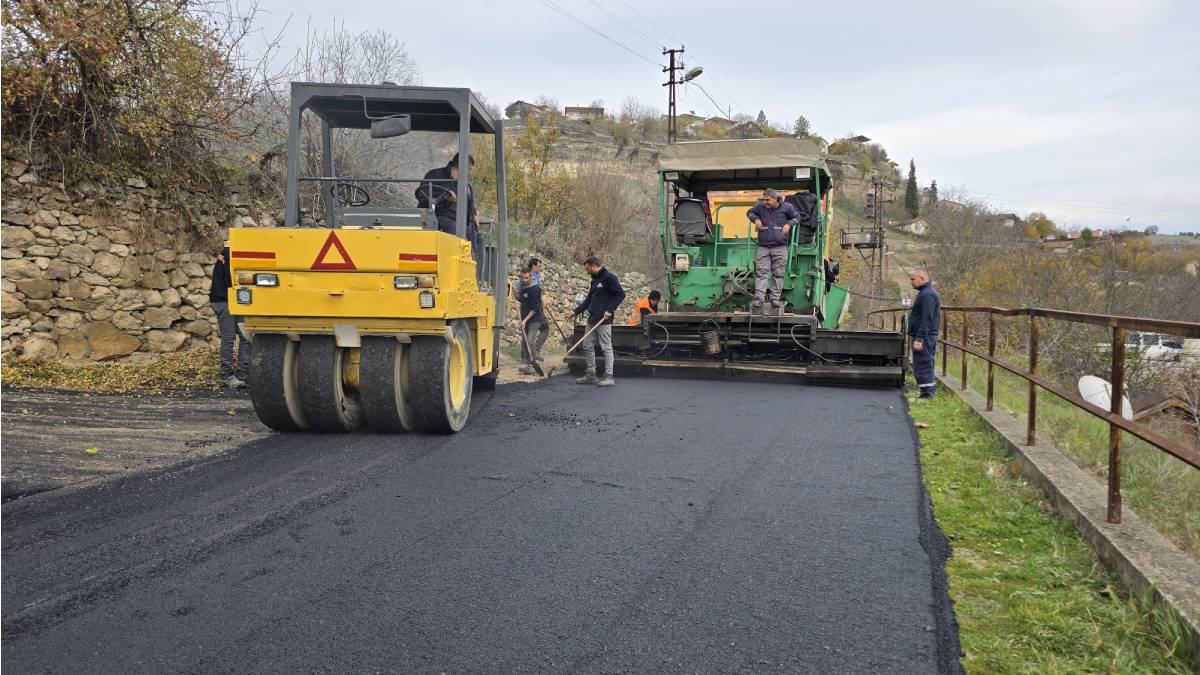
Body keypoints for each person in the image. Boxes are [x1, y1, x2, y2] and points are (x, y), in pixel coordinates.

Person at [566, 256, 625, 387]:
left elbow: (620, 294)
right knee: (587, 345)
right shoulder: (595, 280)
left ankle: (609, 376)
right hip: (592, 318)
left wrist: (610, 309)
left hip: (604, 320)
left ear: (593, 266)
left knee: (606, 347)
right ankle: (591, 374)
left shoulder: (609, 278)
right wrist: (575, 311)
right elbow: (588, 300)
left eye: (588, 269)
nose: (587, 272)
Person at [746, 188, 801, 312]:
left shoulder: (787, 207)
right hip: (763, 247)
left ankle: (774, 298)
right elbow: (749, 212)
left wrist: (789, 224)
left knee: (778, 273)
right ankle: (759, 299)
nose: (765, 202)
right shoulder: (760, 207)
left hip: (780, 247)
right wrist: (756, 219)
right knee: (761, 272)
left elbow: (797, 217)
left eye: (767, 200)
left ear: (775, 199)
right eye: (764, 200)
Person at [415, 152, 478, 244]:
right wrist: (444, 196)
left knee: (473, 234)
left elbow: (469, 203)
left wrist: (474, 215)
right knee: (454, 228)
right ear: (462, 167)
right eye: (469, 169)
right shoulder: (435, 175)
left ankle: (471, 257)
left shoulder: (463, 185)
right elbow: (422, 193)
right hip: (435, 216)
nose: (469, 173)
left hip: (456, 221)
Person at [210, 246, 249, 388]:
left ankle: (243, 372)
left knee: (246, 335)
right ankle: (226, 375)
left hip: (236, 299)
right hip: (223, 300)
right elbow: (230, 280)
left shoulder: (233, 253)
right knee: (229, 337)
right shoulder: (228, 254)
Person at [908, 267, 941, 400]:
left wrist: (920, 338)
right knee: (923, 363)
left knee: (924, 363)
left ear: (922, 278)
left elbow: (927, 318)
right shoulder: (925, 292)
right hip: (925, 336)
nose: (911, 282)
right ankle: (925, 392)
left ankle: (927, 395)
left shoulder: (927, 294)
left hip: (925, 337)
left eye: (912, 279)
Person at [517, 266, 549, 371]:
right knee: (525, 339)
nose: (524, 280)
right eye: (523, 278)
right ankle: (526, 361)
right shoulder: (522, 286)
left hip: (535, 319)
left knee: (530, 340)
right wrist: (513, 292)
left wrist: (525, 320)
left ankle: (533, 363)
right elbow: (521, 299)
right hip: (525, 317)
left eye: (526, 278)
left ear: (530, 276)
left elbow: (535, 308)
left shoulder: (535, 289)